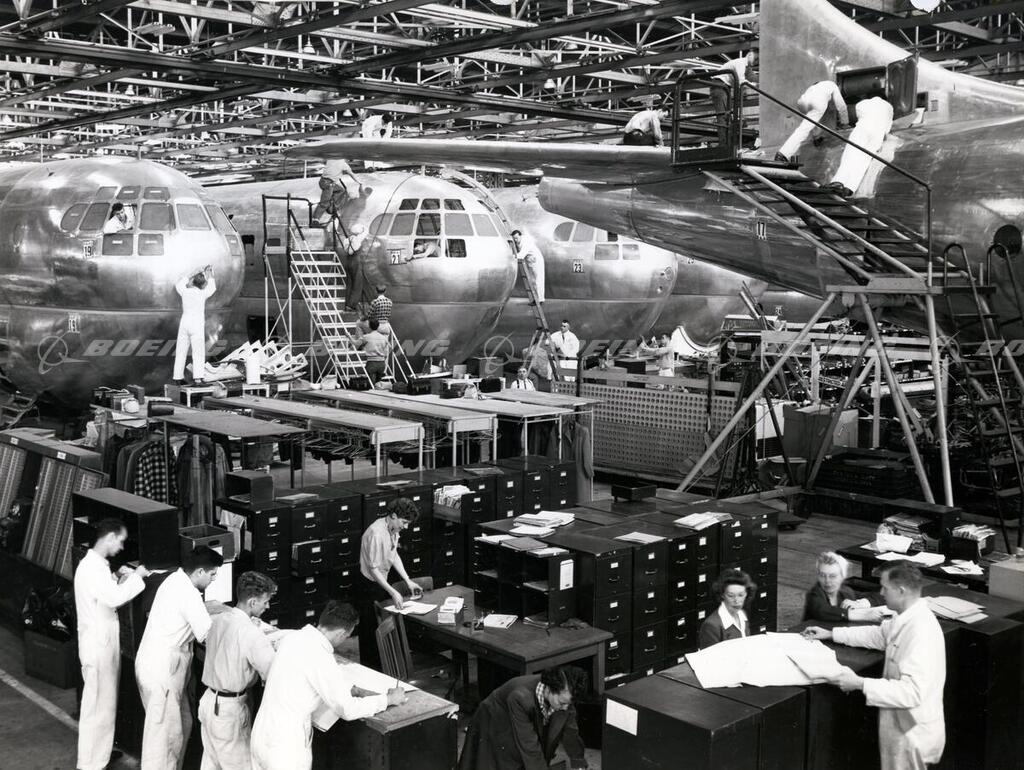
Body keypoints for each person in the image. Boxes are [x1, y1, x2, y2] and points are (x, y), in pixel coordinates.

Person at [802, 562, 946, 770]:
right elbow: (878, 635)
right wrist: (831, 633)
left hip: (913, 735)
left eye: (885, 588)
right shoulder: (906, 616)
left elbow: (913, 692)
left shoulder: (920, 631)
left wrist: (860, 683)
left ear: (901, 591)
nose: (881, 593)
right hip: (903, 726)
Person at [250, 601, 405, 770]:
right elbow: (348, 709)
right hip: (286, 746)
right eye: (346, 637)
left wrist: (347, 687)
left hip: (262, 733)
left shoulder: (293, 637)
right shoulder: (321, 656)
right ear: (341, 633)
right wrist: (388, 699)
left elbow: (303, 674)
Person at [136, 546, 223, 770]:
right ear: (200, 571)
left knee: (182, 724)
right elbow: (208, 634)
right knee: (164, 740)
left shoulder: (175, 580)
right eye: (212, 574)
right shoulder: (188, 594)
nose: (213, 580)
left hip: (158, 665)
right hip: (163, 671)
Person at [74, 519, 150, 770]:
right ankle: (90, 764)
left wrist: (117, 576)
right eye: (120, 540)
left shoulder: (95, 566)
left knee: (103, 705)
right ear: (109, 537)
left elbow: (103, 593)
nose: (121, 547)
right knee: (98, 707)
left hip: (99, 643)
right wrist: (137, 576)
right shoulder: (92, 569)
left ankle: (100, 756)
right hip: (98, 646)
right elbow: (114, 598)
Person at [198, 571, 278, 770]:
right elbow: (273, 672)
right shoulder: (252, 634)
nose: (268, 606)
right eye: (265, 602)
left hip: (208, 702)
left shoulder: (218, 619)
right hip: (230, 711)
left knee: (211, 763)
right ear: (252, 602)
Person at [458, 665, 589, 770]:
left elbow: (570, 731)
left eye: (568, 704)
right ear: (549, 689)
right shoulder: (521, 697)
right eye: (562, 703)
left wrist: (578, 762)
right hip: (494, 721)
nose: (565, 708)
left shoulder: (564, 695)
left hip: (521, 717)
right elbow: (529, 746)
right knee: (505, 761)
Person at [356, 497, 423, 667]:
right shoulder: (376, 533)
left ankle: (383, 666)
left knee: (381, 627)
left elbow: (393, 554)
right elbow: (373, 569)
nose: (405, 527)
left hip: (381, 581)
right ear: (393, 516)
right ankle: (371, 669)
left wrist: (408, 580)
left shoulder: (392, 527)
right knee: (371, 631)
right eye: (404, 522)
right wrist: (393, 592)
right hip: (369, 583)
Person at [826, 95, 894, 197]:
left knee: (850, 155)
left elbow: (858, 114)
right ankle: (850, 188)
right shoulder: (889, 107)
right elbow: (889, 123)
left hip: (862, 128)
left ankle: (838, 182)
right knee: (864, 160)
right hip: (878, 133)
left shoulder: (863, 103)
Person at [803, 550, 887, 624]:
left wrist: (861, 603)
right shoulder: (815, 594)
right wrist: (864, 615)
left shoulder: (845, 591)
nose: (827, 581)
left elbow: (882, 597)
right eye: (822, 575)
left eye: (833, 576)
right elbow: (822, 611)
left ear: (842, 577)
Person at [776, 79, 848, 163]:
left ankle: (817, 137)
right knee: (804, 129)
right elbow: (841, 106)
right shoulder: (833, 85)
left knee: (811, 121)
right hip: (817, 102)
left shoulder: (816, 86)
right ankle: (783, 154)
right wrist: (845, 122)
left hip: (802, 102)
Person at [173, 265, 216, 385]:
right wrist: (210, 274)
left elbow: (178, 284)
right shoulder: (202, 293)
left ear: (192, 282)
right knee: (198, 352)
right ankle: (198, 378)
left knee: (181, 351)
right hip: (196, 325)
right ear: (202, 284)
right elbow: (212, 287)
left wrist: (192, 273)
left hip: (184, 323)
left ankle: (177, 377)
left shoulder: (185, 292)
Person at [698, 568, 756, 649]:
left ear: (747, 594)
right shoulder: (711, 625)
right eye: (731, 596)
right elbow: (710, 656)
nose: (736, 600)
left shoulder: (742, 614)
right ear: (722, 594)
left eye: (741, 595)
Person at [711, 51, 756, 146]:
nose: (757, 61)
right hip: (719, 86)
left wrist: (761, 82)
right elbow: (741, 81)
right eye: (756, 58)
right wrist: (754, 85)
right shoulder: (741, 63)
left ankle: (727, 143)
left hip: (724, 87)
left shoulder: (746, 68)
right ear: (749, 55)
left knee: (726, 116)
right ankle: (724, 145)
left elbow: (752, 77)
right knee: (723, 116)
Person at [313, 158, 361, 225]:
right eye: (349, 161)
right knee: (324, 203)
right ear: (347, 159)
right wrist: (359, 182)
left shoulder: (332, 159)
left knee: (341, 190)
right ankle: (315, 220)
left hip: (323, 181)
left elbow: (326, 163)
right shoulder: (344, 165)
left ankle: (332, 208)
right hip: (328, 184)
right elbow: (351, 174)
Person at [512, 229, 545, 304]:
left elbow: (521, 255)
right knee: (533, 281)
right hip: (531, 261)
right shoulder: (519, 242)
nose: (515, 240)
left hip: (536, 261)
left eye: (516, 238)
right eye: (514, 239)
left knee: (538, 281)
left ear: (520, 236)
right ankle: (536, 299)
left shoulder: (526, 242)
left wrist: (511, 256)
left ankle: (540, 300)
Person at [357, 318, 389, 384]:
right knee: (379, 384)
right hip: (382, 363)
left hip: (371, 363)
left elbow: (358, 346)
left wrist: (349, 337)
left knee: (371, 383)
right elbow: (386, 353)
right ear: (378, 326)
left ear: (369, 326)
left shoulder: (366, 337)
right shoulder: (384, 338)